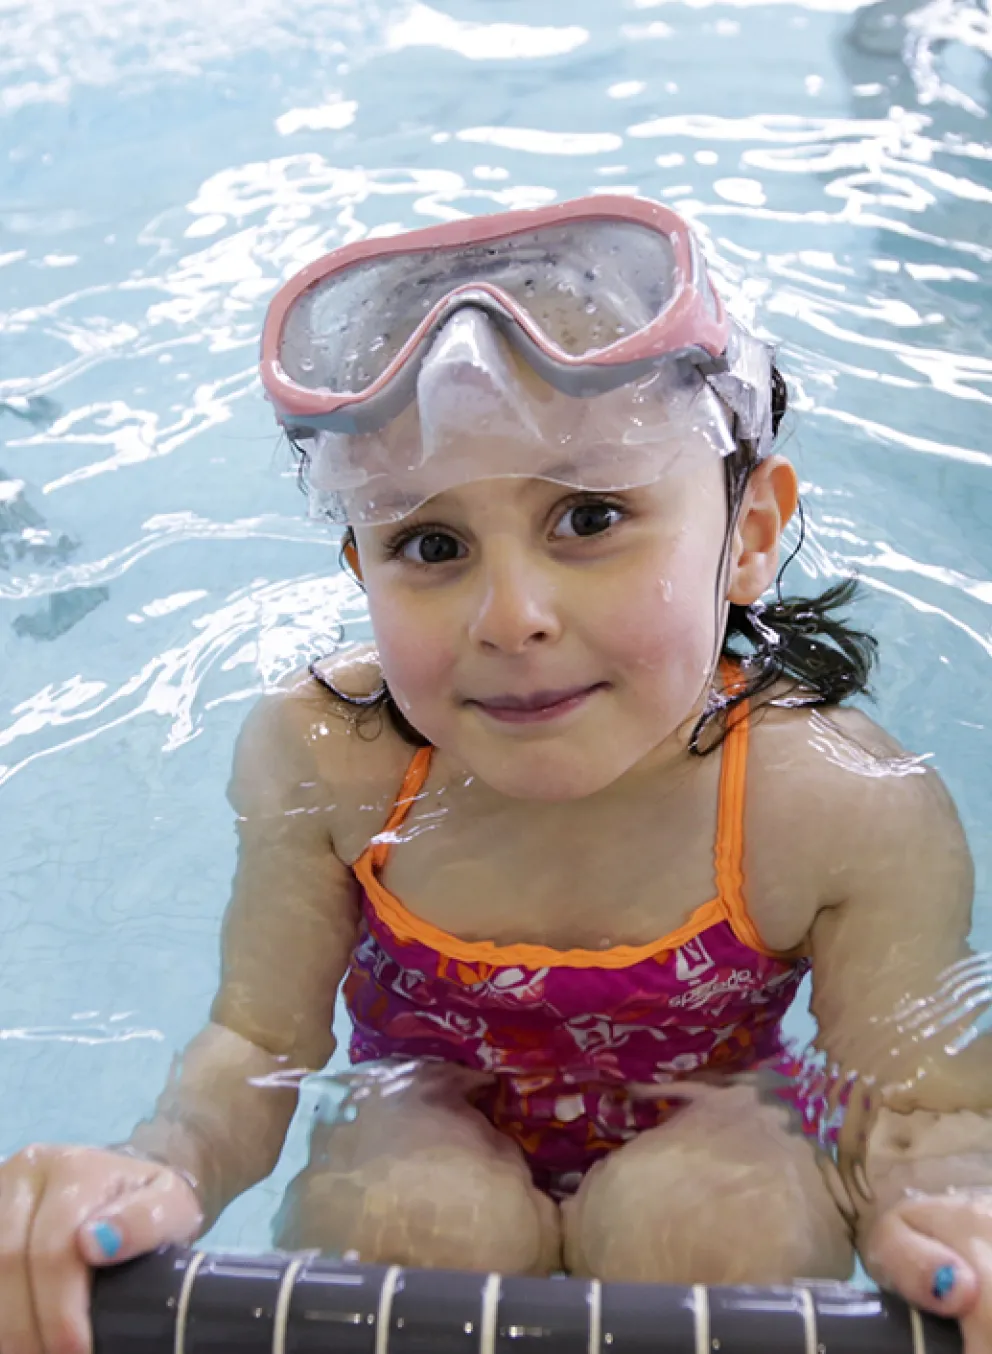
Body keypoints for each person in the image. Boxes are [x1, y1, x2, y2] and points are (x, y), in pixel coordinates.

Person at [2, 195, 991, 1354]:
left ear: (751, 533)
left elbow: (918, 1107)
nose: (510, 617)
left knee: (716, 1211)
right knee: (412, 1204)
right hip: (417, 1132)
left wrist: (952, 1215)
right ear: (357, 562)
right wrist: (152, 1170)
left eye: (588, 515)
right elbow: (258, 1046)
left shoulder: (833, 803)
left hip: (721, 1143)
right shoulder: (335, 760)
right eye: (430, 545)